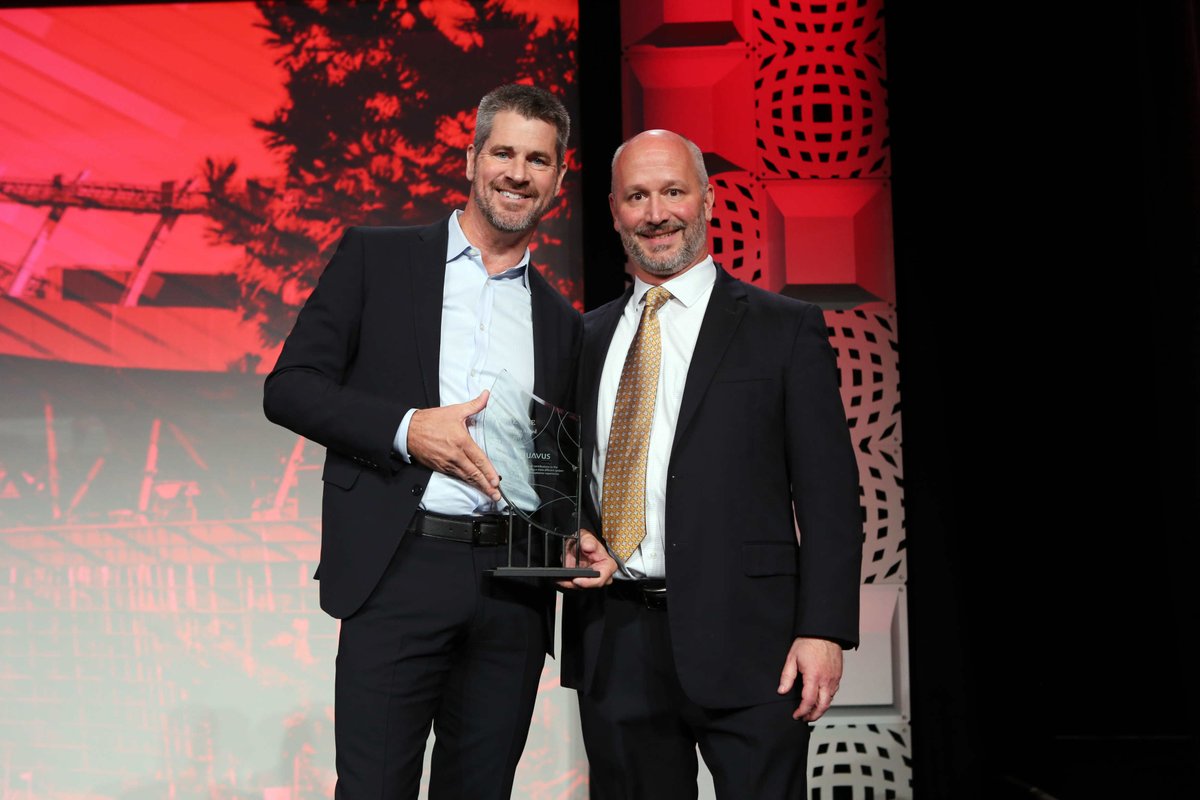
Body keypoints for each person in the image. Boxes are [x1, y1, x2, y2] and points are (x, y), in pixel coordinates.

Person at [264, 84, 585, 800]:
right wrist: (408, 429)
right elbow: (289, 389)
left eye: (538, 160)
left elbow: (555, 463)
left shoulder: (562, 321)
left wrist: (570, 534)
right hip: (398, 565)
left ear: (559, 179)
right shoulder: (376, 259)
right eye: (503, 152)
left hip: (513, 589)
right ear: (472, 160)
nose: (517, 173)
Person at [559, 129, 863, 799]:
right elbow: (564, 479)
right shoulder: (584, 337)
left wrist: (823, 629)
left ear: (709, 199)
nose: (656, 213)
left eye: (673, 191)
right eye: (637, 196)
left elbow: (830, 496)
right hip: (616, 639)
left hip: (755, 643)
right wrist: (566, 536)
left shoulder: (784, 328)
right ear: (613, 210)